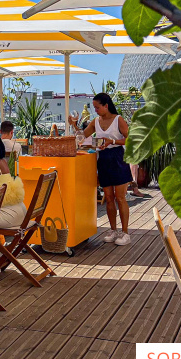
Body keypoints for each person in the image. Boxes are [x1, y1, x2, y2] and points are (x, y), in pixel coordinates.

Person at [70, 93, 133, 246]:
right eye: (94, 108)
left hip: (118, 157)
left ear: (106, 105)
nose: (96, 110)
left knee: (120, 197)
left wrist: (112, 140)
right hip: (103, 159)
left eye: (97, 107)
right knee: (109, 198)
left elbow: (130, 139)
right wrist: (74, 124)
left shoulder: (118, 120)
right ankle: (113, 230)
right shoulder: (96, 121)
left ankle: (125, 232)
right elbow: (82, 137)